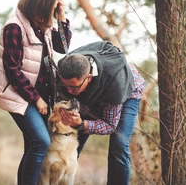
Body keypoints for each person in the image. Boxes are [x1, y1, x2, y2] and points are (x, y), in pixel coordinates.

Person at [0, 0, 72, 185]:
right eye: (51, 9)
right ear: (39, 6)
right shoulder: (15, 27)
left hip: (39, 95)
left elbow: (63, 47)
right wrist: (36, 99)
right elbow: (12, 70)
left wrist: (61, 17)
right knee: (41, 141)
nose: (51, 15)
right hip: (17, 93)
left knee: (32, 146)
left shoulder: (42, 24)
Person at [57, 41, 145, 185]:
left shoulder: (115, 88)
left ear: (88, 78)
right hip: (93, 91)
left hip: (129, 90)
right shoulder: (65, 69)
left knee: (119, 145)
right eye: (65, 86)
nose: (68, 91)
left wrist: (82, 124)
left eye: (73, 87)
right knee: (70, 142)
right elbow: (63, 93)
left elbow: (110, 125)